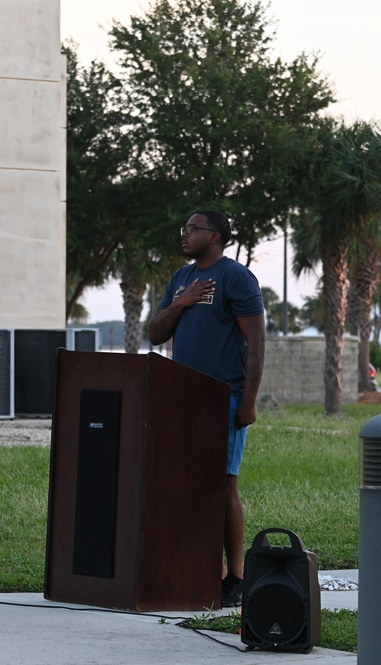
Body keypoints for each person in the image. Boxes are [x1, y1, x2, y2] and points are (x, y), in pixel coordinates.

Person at [147, 210, 266, 608]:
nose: (184, 234)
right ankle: (203, 571)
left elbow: (256, 343)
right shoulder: (181, 279)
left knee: (222, 485)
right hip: (184, 399)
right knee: (191, 485)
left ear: (214, 237)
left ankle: (237, 577)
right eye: (184, 228)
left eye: (192, 229)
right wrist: (180, 303)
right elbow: (155, 332)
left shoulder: (236, 278)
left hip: (224, 396)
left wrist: (248, 400)